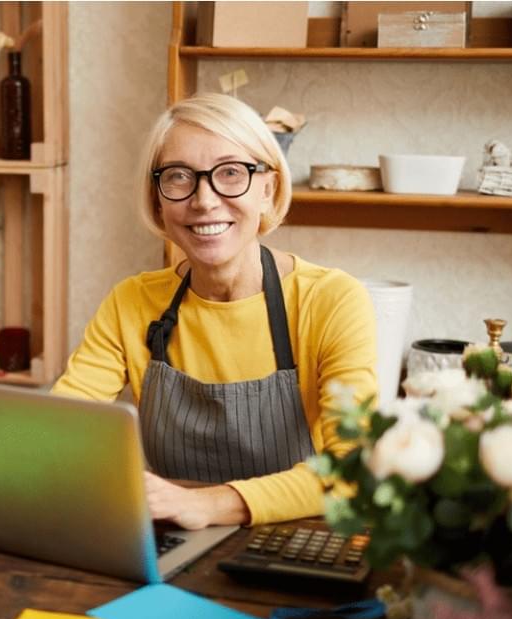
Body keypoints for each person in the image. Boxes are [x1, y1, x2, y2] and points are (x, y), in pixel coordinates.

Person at [52, 93, 377, 530]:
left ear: (269, 188)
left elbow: (350, 471)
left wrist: (206, 506)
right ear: (157, 200)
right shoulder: (131, 303)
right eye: (179, 177)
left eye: (230, 173)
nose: (204, 201)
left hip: (294, 545)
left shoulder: (332, 300)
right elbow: (61, 428)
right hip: (171, 543)